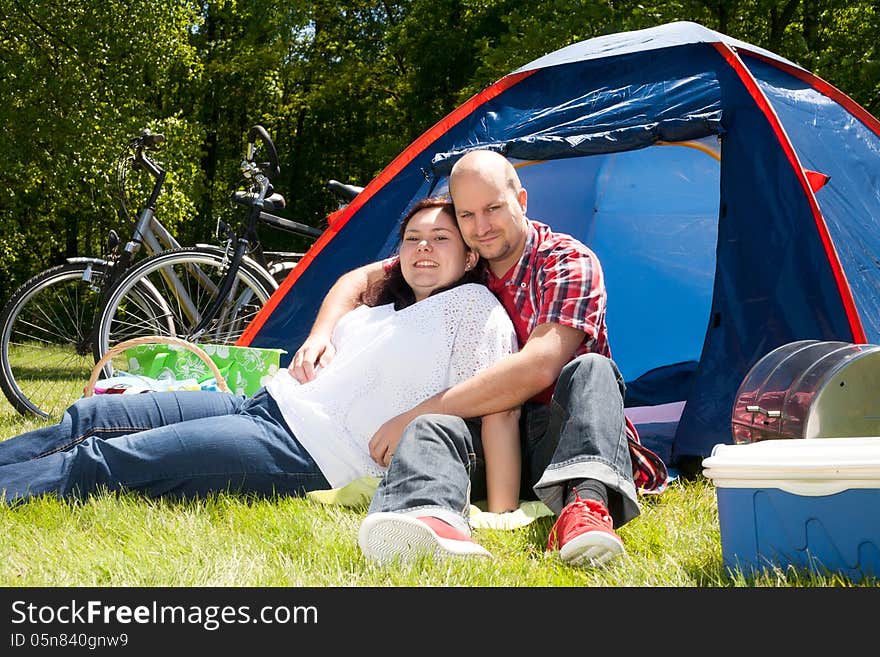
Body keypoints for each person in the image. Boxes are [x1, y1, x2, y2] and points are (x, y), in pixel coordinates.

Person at [0, 198, 521, 517]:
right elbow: (353, 280)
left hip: (308, 449)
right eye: (413, 239)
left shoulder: (474, 307)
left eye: (440, 239)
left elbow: (496, 400)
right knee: (95, 416)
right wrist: (321, 335)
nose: (423, 249)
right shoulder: (389, 302)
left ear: (471, 254)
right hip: (262, 402)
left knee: (108, 462)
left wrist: (502, 508)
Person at [291, 149, 666, 568]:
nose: (481, 227)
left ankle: (584, 509)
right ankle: (426, 517)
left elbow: (539, 366)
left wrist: (415, 411)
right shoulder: (467, 260)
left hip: (561, 437)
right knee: (435, 426)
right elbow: (360, 278)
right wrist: (321, 333)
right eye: (466, 215)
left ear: (521, 202)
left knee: (591, 369)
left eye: (493, 208)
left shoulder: (567, 262)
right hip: (488, 436)